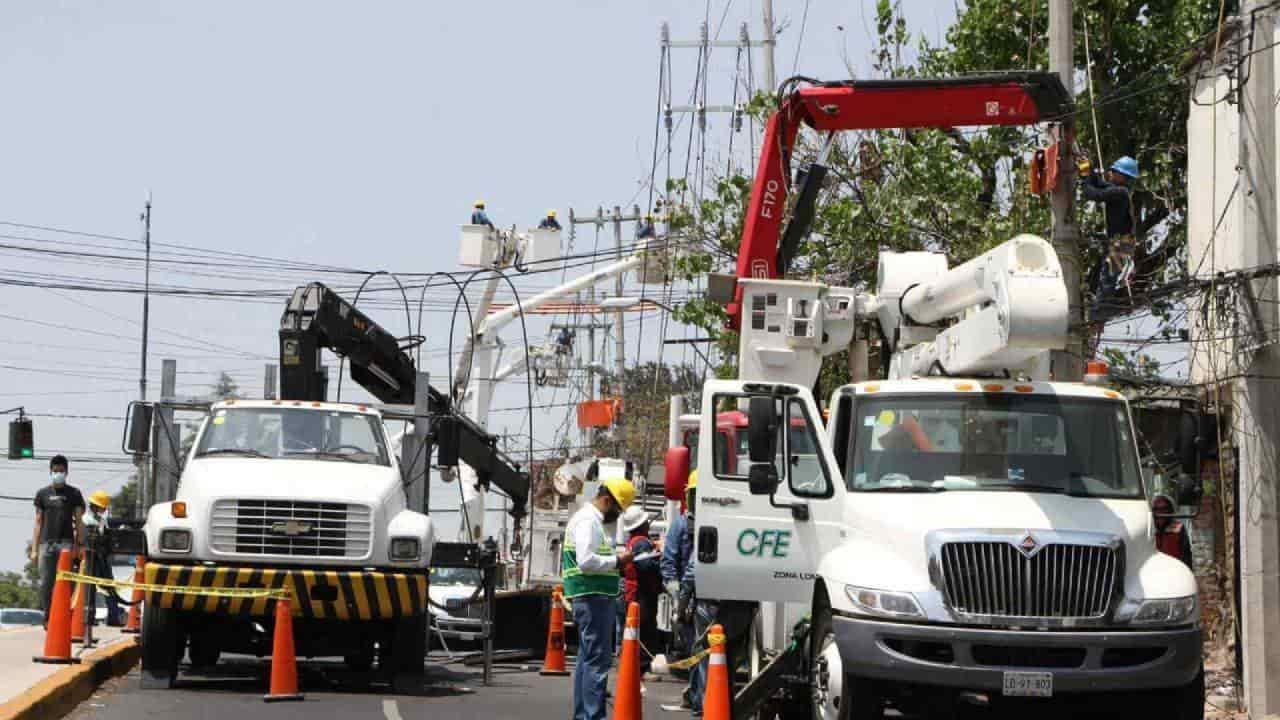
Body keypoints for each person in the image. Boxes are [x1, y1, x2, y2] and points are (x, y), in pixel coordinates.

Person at [564, 478, 636, 720]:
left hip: (591, 596)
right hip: (592, 597)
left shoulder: (590, 520)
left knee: (587, 661)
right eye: (618, 509)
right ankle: (593, 716)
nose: (617, 515)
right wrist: (618, 561)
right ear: (607, 501)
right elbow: (586, 560)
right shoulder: (588, 521)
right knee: (597, 663)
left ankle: (584, 715)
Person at [1079, 156, 1140, 317]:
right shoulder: (1119, 189)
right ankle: (1093, 309)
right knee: (1100, 274)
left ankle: (1097, 314)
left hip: (1123, 242)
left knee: (1107, 280)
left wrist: (1085, 177)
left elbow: (1093, 194)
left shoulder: (1119, 192)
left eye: (1114, 171)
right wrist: (1089, 169)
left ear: (1122, 176)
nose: (1110, 173)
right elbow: (1099, 184)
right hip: (1120, 241)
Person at [31, 455, 85, 624]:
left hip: (66, 545)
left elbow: (79, 521)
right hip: (46, 545)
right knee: (46, 583)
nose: (58, 474)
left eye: (61, 471)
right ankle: (48, 616)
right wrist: (34, 549)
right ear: (50, 472)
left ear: (66, 472)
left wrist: (80, 545)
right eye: (55, 471)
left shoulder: (74, 493)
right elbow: (38, 522)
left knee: (65, 583)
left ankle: (63, 617)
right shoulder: (42, 494)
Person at [660, 470, 698, 711]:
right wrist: (677, 600)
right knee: (696, 649)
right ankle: (697, 694)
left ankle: (698, 694)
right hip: (689, 598)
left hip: (710, 597)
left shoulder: (721, 523)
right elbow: (669, 564)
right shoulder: (681, 525)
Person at [619, 505, 662, 675]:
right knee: (645, 630)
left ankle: (633, 665)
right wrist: (660, 557)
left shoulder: (633, 542)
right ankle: (642, 668)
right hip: (642, 593)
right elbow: (645, 565)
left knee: (636, 629)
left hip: (634, 591)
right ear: (642, 525)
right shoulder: (642, 543)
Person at [84, 490, 124, 626]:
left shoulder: (102, 520)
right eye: (103, 506)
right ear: (95, 506)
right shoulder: (86, 520)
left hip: (102, 556)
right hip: (90, 557)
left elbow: (106, 535)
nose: (104, 509)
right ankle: (89, 617)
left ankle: (113, 617)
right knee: (89, 588)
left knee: (109, 587)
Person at [1153, 494, 1194, 570]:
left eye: (1164, 509)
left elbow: (1186, 557)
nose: (1160, 512)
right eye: (1156, 509)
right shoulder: (1149, 530)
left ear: (1170, 510)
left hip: (1175, 572)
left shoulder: (1178, 528)